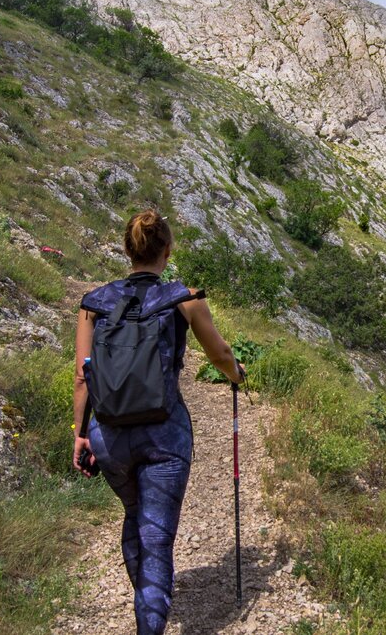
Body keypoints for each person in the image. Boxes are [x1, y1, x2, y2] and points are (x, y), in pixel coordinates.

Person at [71, 209, 244, 634]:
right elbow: (220, 355)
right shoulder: (183, 298)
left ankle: (146, 601)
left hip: (109, 436)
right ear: (168, 250)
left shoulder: (94, 304)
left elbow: (82, 375)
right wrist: (238, 375)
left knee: (135, 513)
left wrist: (79, 436)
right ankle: (149, 620)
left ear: (127, 251)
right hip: (165, 435)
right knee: (157, 537)